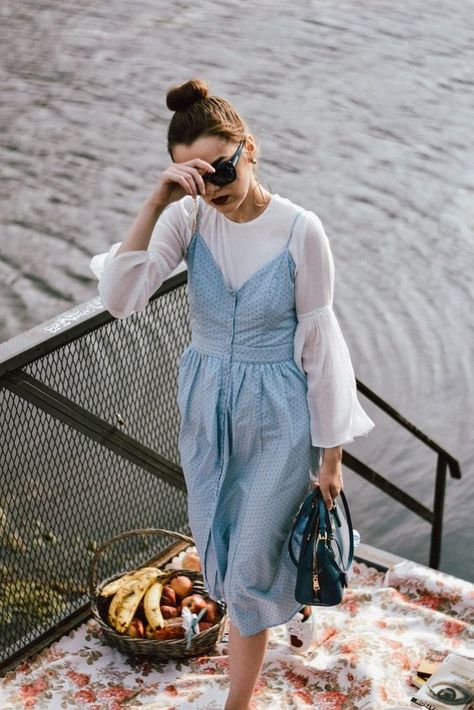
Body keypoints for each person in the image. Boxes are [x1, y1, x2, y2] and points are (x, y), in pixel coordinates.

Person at [89, 78, 375, 710]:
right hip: (205, 405)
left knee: (247, 564)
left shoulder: (302, 230)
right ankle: (264, 624)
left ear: (251, 150)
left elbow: (322, 347)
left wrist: (332, 457)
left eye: (221, 167)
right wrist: (160, 198)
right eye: (196, 174)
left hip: (277, 413)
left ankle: (236, 703)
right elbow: (118, 299)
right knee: (219, 549)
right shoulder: (190, 219)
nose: (212, 185)